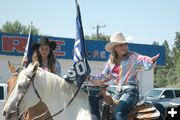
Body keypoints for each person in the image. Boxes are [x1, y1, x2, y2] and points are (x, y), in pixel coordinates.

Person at [89, 32, 159, 120]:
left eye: (125, 44)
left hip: (130, 92)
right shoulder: (111, 63)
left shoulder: (133, 57)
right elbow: (102, 78)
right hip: (116, 93)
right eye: (121, 45)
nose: (124, 47)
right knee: (94, 101)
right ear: (115, 48)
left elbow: (144, 60)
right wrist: (88, 77)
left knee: (118, 113)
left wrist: (150, 61)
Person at [21, 36, 61, 120]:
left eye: (46, 49)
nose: (44, 51)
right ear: (38, 50)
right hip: (34, 98)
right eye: (42, 49)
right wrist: (23, 66)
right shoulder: (32, 64)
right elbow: (25, 79)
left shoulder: (56, 64)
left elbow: (58, 82)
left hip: (50, 99)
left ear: (50, 50)